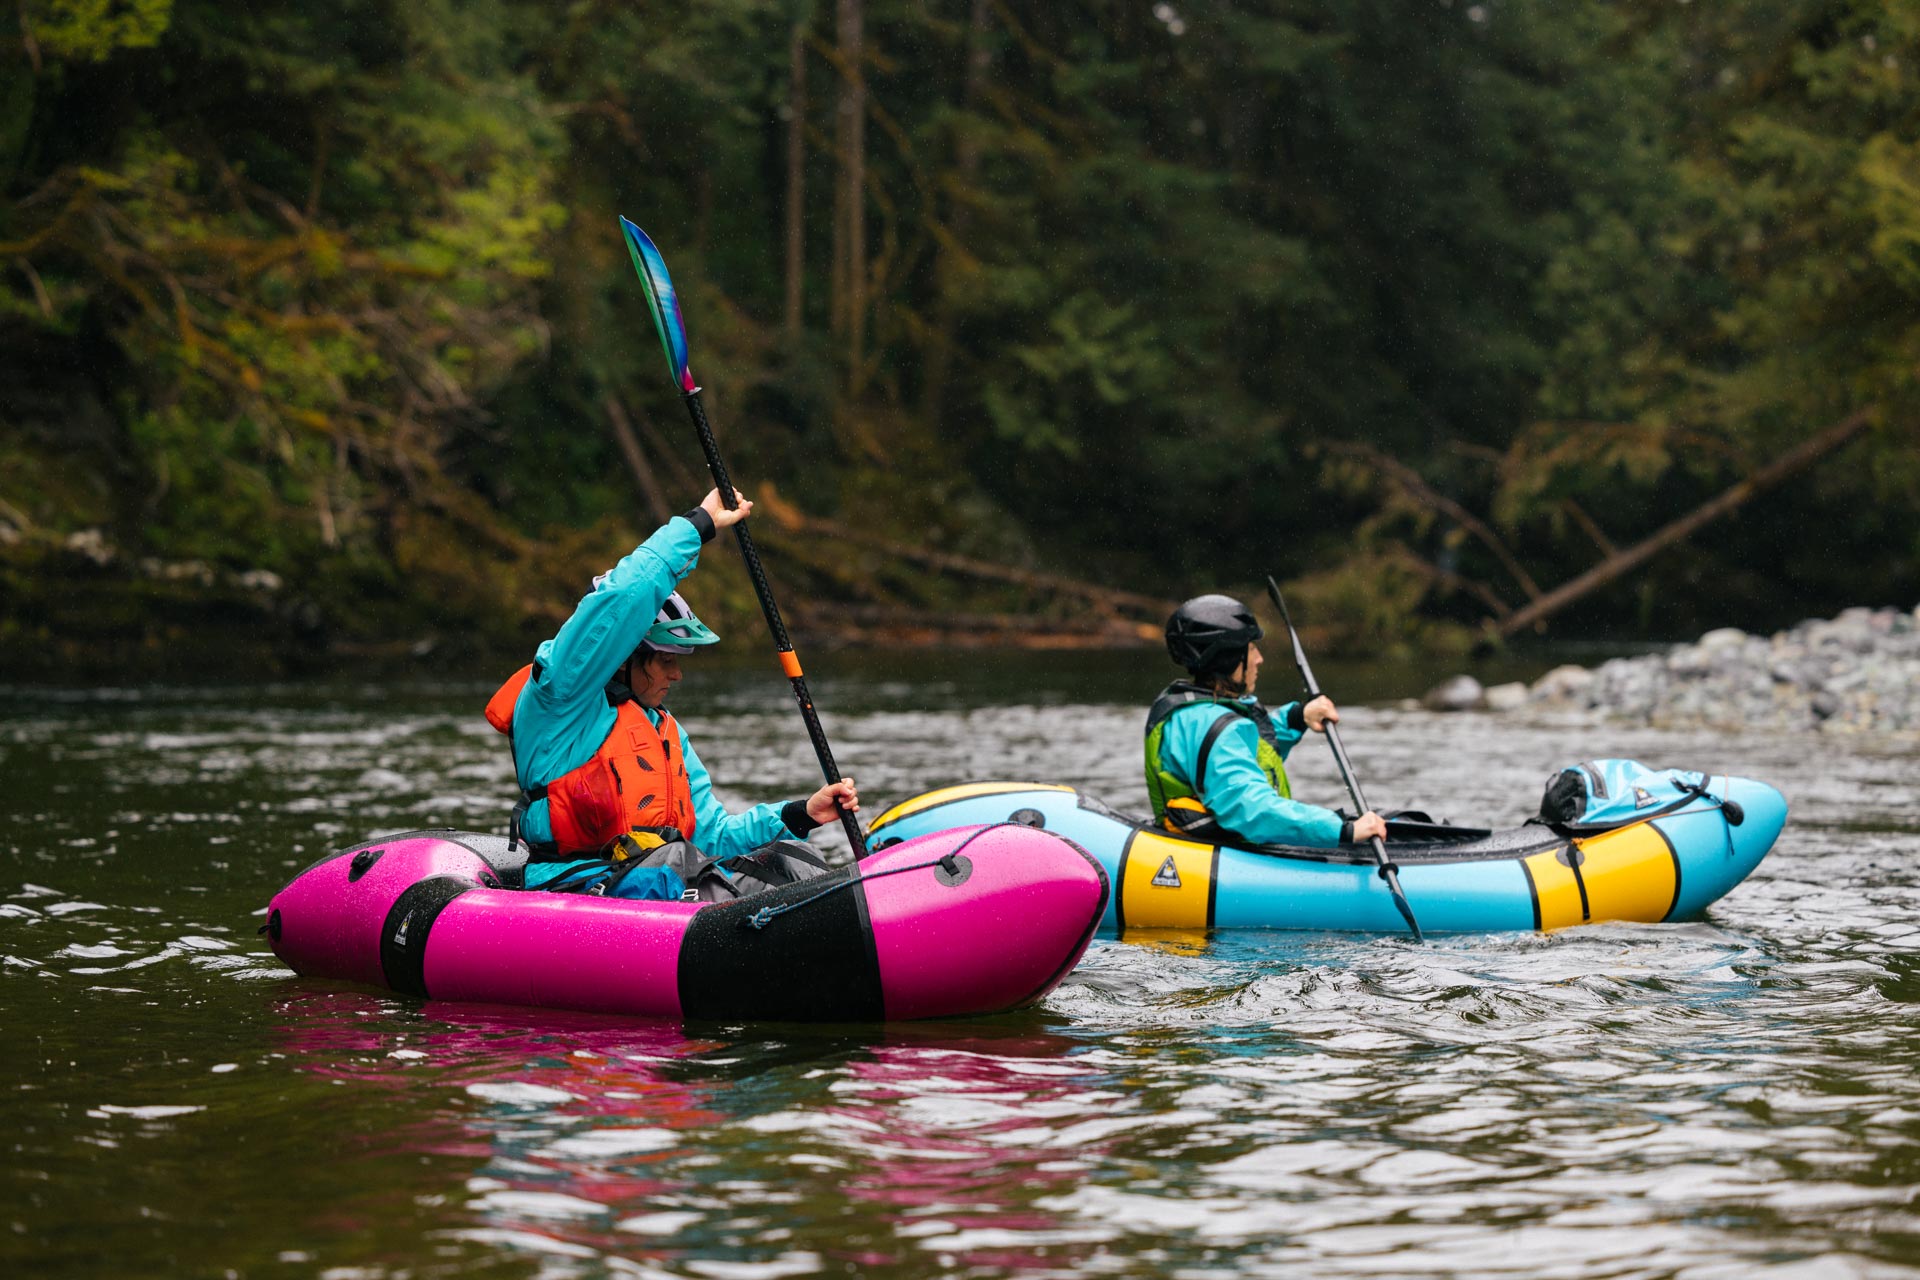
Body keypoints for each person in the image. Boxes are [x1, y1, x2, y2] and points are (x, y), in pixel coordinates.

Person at [484, 486, 858, 898]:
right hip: (572, 886)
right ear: (624, 656)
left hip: (660, 880)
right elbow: (624, 597)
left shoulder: (663, 729)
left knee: (792, 859)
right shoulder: (560, 696)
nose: (677, 675)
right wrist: (698, 525)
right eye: (665, 660)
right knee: (672, 865)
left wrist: (800, 814)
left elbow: (713, 835)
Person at [1143, 594, 1386, 850]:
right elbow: (1253, 808)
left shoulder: (1190, 713)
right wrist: (1342, 830)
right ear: (1227, 658)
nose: (1259, 659)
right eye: (1251, 649)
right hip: (1230, 855)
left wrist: (1296, 718)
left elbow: (1245, 751)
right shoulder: (1215, 728)